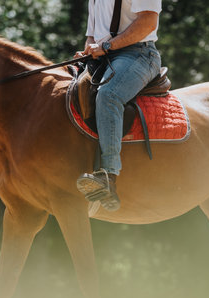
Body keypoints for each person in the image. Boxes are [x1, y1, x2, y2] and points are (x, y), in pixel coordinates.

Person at [75, 0, 162, 211]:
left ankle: (108, 176)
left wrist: (106, 46)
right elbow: (92, 34)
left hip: (139, 54)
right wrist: (89, 48)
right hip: (104, 55)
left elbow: (148, 22)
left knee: (108, 95)